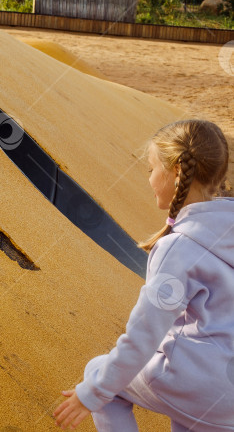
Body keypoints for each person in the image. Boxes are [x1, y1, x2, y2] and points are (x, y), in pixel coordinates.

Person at [54, 119, 234, 431]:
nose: (149, 178)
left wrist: (92, 393)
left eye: (151, 169)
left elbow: (144, 337)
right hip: (226, 402)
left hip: (194, 384)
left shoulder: (179, 247)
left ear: (177, 171)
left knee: (99, 373)